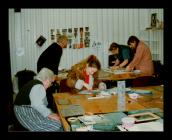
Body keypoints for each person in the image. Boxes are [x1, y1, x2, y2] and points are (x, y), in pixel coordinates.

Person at [37, 35, 68, 112]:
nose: (67, 43)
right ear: (63, 41)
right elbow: (55, 63)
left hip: (42, 68)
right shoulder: (58, 48)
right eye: (66, 41)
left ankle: (48, 105)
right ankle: (50, 107)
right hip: (44, 70)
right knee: (49, 87)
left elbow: (52, 61)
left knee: (46, 87)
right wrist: (55, 75)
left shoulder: (54, 46)